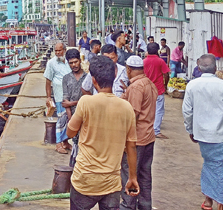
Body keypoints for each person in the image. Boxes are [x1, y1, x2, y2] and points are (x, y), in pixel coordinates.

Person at [66, 55, 139, 210]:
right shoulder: (127, 108)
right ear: (114, 76)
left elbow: (70, 133)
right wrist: (132, 177)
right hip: (111, 182)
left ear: (93, 80)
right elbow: (131, 147)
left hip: (85, 179)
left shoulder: (86, 102)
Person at [182, 54, 223, 210]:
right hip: (221, 135)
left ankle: (208, 200)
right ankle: (221, 201)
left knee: (210, 164)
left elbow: (187, 111)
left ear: (199, 68)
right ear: (216, 69)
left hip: (202, 134)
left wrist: (190, 129)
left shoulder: (192, 85)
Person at [119, 55, 157, 210]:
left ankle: (128, 205)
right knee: (145, 175)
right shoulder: (148, 83)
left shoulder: (136, 87)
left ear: (128, 69)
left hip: (137, 140)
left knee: (130, 174)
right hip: (149, 136)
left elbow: (133, 114)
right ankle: (145, 205)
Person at [44, 42, 73, 154]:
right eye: (56, 51)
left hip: (70, 94)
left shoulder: (69, 61)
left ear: (64, 50)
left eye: (59, 50)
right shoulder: (51, 63)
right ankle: (58, 143)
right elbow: (48, 80)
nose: (57, 53)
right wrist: (48, 97)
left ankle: (65, 141)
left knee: (68, 118)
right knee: (61, 119)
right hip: (59, 94)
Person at [62, 48, 87, 166]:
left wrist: (71, 103)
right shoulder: (66, 78)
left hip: (86, 116)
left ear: (80, 61)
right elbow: (65, 99)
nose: (74, 65)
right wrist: (70, 118)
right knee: (75, 142)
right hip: (72, 116)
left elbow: (88, 98)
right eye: (71, 63)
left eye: (76, 62)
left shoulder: (87, 77)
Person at [143, 43, 170, 140]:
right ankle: (156, 131)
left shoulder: (144, 62)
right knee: (159, 110)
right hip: (158, 89)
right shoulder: (160, 61)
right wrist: (165, 85)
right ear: (157, 50)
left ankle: (146, 129)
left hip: (146, 89)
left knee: (147, 110)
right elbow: (166, 74)